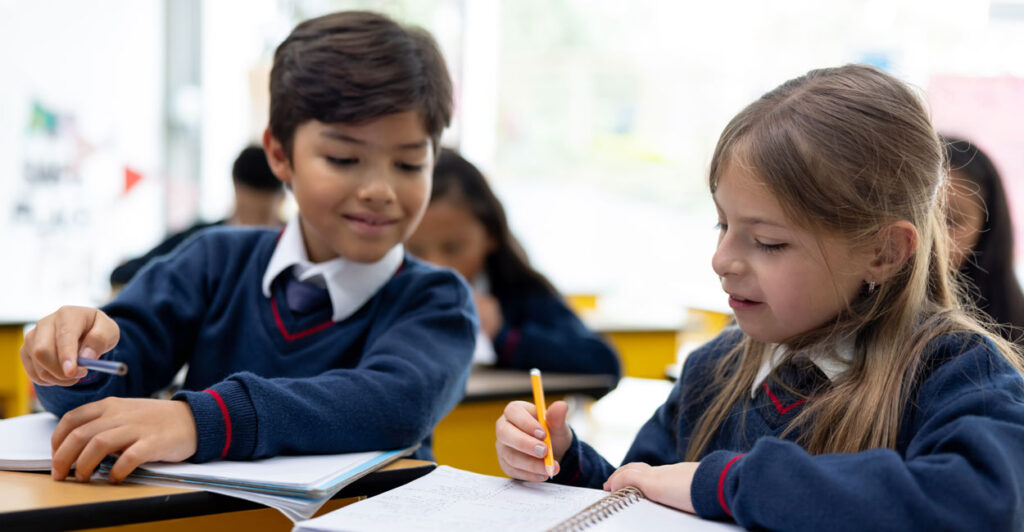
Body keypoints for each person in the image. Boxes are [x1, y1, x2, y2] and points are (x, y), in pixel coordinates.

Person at [495, 65, 1024, 530]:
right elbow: (644, 495)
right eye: (721, 224)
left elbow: (981, 506)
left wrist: (724, 484)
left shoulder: (959, 374)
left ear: (884, 252)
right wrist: (567, 466)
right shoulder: (714, 371)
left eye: (769, 242)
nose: (722, 259)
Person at [19, 11, 476, 483]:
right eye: (344, 158)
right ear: (280, 155)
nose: (380, 189)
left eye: (408, 164)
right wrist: (72, 361)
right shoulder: (214, 261)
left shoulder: (437, 301)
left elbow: (391, 404)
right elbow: (112, 374)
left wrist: (200, 421)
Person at [406, 148, 620, 378]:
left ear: (491, 235)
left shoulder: (521, 294)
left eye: (453, 248)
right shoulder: (388, 294)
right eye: (415, 250)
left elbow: (604, 363)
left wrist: (502, 335)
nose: (436, 265)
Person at [109, 144, 286, 289]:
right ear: (235, 193)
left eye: (262, 213)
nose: (253, 228)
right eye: (247, 210)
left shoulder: (297, 244)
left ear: (283, 198)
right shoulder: (203, 240)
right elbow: (127, 272)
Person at [942, 135, 1024, 336]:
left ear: (987, 230)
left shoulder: (1010, 330)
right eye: (917, 216)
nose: (931, 237)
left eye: (950, 221)